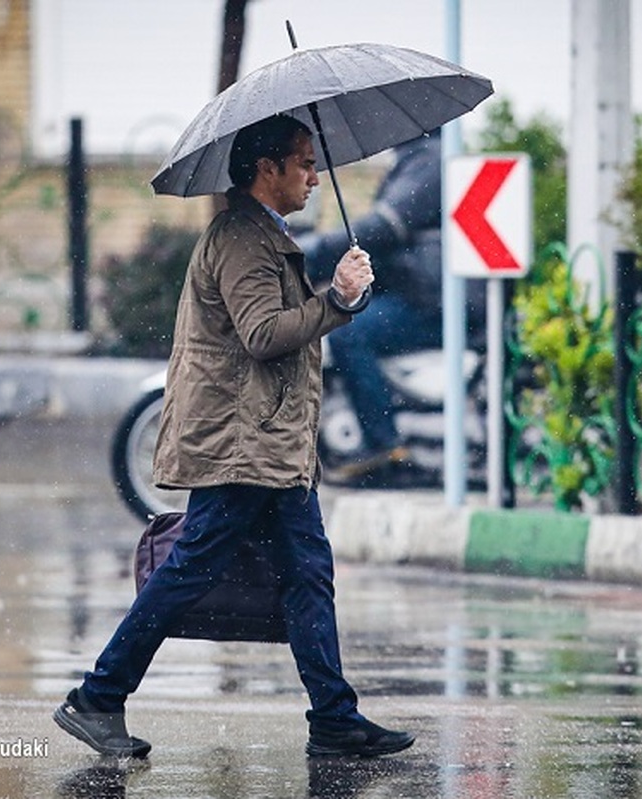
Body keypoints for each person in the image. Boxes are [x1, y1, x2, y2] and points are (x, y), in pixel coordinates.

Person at [53, 113, 415, 760]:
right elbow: (264, 334)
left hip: (270, 442)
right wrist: (338, 297)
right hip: (241, 441)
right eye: (301, 163)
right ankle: (97, 695)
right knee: (192, 563)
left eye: (312, 162)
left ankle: (334, 715)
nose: (311, 176)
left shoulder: (264, 234)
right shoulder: (243, 239)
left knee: (308, 571)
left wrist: (338, 294)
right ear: (265, 169)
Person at [301, 130, 468, 480]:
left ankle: (383, 444)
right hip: (428, 293)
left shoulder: (429, 159)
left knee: (348, 333)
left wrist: (316, 249)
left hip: (431, 299)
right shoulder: (422, 156)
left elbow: (387, 225)